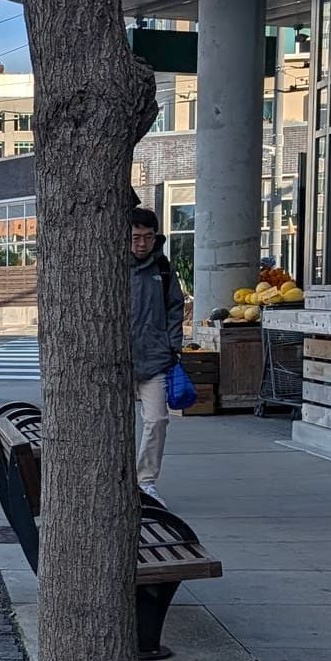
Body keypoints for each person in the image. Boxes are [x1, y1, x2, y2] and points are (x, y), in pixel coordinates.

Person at [130, 207, 186, 503]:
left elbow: (175, 306)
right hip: (118, 361)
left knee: (157, 420)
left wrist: (172, 344)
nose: (142, 244)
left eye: (148, 237)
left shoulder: (162, 268)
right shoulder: (109, 265)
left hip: (155, 359)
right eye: (136, 237)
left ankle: (146, 481)